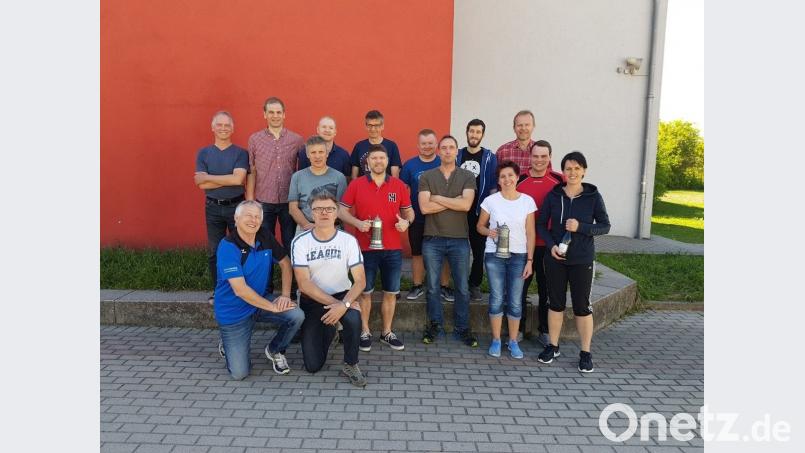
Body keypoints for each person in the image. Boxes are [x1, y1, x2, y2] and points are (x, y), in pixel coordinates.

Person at [536, 151, 610, 373]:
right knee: (555, 304)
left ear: (584, 171)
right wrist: (551, 245)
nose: (572, 172)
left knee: (582, 307)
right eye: (568, 168)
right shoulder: (553, 195)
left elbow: (605, 226)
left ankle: (585, 353)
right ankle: (553, 346)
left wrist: (581, 227)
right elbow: (541, 225)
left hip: (582, 259)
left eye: (577, 168)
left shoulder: (593, 197)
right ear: (563, 172)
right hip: (556, 259)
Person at [214, 200, 303, 379]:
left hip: (259, 302)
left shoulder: (264, 236)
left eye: (257, 217)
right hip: (234, 312)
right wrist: (272, 307)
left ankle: (275, 350)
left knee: (296, 315)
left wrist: (285, 295)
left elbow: (285, 263)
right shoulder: (228, 246)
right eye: (248, 215)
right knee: (240, 373)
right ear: (236, 218)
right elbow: (240, 290)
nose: (253, 220)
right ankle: (227, 341)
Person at [339, 144, 415, 352]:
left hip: (393, 249)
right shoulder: (357, 184)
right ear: (368, 162)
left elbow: (410, 212)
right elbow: (341, 210)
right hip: (365, 248)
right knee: (365, 292)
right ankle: (364, 331)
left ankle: (387, 332)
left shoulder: (398, 185)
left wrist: (406, 223)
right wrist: (357, 223)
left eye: (382, 158)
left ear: (387, 161)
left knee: (391, 292)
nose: (378, 161)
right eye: (374, 158)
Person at [291, 191, 368, 387]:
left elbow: (360, 281)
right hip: (312, 299)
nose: (324, 213)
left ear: (336, 213)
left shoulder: (348, 240)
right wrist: (339, 306)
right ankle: (330, 329)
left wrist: (345, 304)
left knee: (353, 317)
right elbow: (304, 284)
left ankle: (351, 364)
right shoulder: (300, 242)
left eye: (329, 209)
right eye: (318, 209)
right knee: (313, 366)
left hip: (342, 294)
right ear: (311, 213)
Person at [418, 135, 478, 347]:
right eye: (443, 148)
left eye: (451, 147)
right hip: (432, 238)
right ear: (438, 151)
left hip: (459, 239)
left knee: (462, 287)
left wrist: (437, 198)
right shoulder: (427, 176)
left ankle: (463, 328)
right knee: (432, 286)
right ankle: (435, 325)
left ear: (456, 151)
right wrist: (455, 201)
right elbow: (425, 208)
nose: (447, 151)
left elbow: (466, 206)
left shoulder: (467, 176)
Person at [476, 161, 536, 359]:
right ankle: (496, 340)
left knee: (515, 301)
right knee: (496, 298)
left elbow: (530, 233)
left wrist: (530, 260)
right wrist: (489, 232)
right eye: (503, 176)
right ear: (499, 180)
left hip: (519, 256)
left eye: (510, 175)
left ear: (517, 177)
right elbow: (479, 226)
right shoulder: (490, 201)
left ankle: (513, 341)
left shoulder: (527, 201)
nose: (507, 179)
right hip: (494, 255)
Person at [247, 96, 304, 290]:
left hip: (289, 201)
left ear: (284, 114)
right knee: (264, 245)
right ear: (264, 114)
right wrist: (250, 202)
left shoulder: (296, 140)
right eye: (271, 112)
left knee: (290, 243)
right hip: (264, 201)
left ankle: (294, 287)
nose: (275, 116)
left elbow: (302, 171)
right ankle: (266, 286)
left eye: (278, 112)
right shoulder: (255, 140)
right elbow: (252, 171)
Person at [194, 111, 249, 304]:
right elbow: (199, 184)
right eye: (219, 125)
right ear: (213, 127)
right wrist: (228, 179)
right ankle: (219, 290)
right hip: (213, 208)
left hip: (237, 207)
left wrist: (208, 178)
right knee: (215, 251)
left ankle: (243, 290)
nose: (223, 128)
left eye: (227, 125)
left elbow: (238, 180)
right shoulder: (204, 153)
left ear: (232, 129)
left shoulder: (240, 153)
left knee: (241, 248)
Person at [517, 140, 564, 346]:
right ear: (530, 157)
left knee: (547, 290)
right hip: (523, 245)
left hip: (548, 245)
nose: (539, 160)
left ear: (550, 157)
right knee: (519, 289)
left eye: (544, 156)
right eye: (535, 156)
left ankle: (544, 330)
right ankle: (518, 329)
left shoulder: (559, 180)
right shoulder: (519, 179)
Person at [399, 129, 454, 302]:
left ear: (436, 144)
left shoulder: (443, 162)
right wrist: (405, 214)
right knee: (417, 252)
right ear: (418, 145)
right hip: (417, 217)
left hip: (442, 216)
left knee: (444, 253)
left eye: (430, 143)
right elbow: (402, 191)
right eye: (424, 143)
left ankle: (444, 286)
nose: (427, 146)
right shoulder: (409, 166)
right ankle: (417, 285)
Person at [456, 119, 497, 301]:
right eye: (471, 131)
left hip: (480, 211)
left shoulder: (489, 157)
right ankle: (458, 283)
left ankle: (474, 283)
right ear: (467, 132)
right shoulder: (457, 155)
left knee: (479, 250)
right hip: (458, 211)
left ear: (482, 134)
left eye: (478, 132)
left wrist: (492, 211)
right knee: (457, 249)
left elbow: (493, 186)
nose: (474, 135)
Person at [288, 135, 348, 235]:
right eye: (313, 152)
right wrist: (307, 225)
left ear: (327, 154)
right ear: (307, 155)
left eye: (321, 152)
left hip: (333, 228)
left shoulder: (339, 177)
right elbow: (293, 208)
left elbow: (341, 208)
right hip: (305, 227)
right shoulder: (297, 177)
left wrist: (325, 226)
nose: (317, 156)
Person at [351, 110, 403, 179]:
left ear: (382, 126)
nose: (373, 129)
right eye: (370, 125)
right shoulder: (359, 146)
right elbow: (354, 175)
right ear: (366, 126)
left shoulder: (391, 146)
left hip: (385, 185)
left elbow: (395, 176)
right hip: (363, 185)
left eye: (376, 125)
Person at [496, 110, 537, 174]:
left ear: (533, 126)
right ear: (514, 128)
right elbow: (495, 177)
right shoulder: (502, 151)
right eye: (519, 125)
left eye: (527, 125)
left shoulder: (540, 152)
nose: (523, 128)